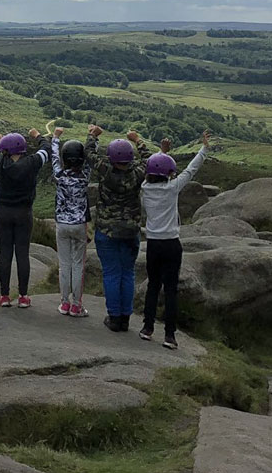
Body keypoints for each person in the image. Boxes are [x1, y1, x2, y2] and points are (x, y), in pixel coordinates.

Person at [139, 131, 211, 349]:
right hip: (171, 244)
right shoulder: (172, 188)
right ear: (169, 174)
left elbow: (154, 168)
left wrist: (162, 153)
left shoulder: (144, 189)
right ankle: (170, 336)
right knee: (171, 290)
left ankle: (147, 328)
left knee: (153, 285)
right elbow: (191, 170)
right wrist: (204, 149)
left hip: (152, 244)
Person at [89, 127, 147, 333]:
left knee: (112, 274)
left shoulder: (105, 169)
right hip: (131, 232)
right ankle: (125, 318)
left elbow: (89, 154)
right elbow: (149, 159)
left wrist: (93, 135)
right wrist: (137, 140)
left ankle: (114, 318)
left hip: (107, 232)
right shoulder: (138, 173)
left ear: (111, 158)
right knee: (128, 273)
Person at [0, 130, 49, 307]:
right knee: (22, 254)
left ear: (4, 149)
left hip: (3, 213)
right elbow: (46, 148)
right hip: (24, 213)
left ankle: (4, 296)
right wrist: (37, 135)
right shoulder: (33, 162)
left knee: (5, 253)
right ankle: (23, 296)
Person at [50, 126, 93, 318]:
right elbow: (92, 156)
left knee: (64, 265)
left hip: (61, 224)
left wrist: (55, 138)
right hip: (79, 225)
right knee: (78, 265)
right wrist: (92, 136)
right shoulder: (85, 176)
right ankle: (77, 305)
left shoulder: (59, 175)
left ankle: (64, 303)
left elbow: (53, 157)